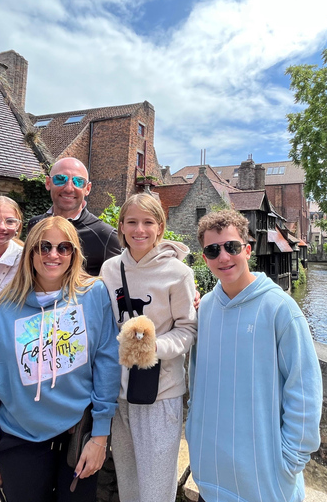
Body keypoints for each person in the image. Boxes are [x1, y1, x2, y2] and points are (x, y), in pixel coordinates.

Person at [0, 216, 121, 502]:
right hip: (20, 440)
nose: (53, 255)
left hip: (78, 437)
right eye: (44, 247)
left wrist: (100, 436)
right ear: (30, 252)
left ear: (74, 253)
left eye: (64, 247)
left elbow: (107, 362)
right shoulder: (4, 309)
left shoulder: (93, 294)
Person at [186, 210, 323, 502]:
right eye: (213, 250)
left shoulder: (280, 309)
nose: (223, 257)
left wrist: (291, 461)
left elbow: (304, 388)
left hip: (265, 485)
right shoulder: (205, 310)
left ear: (247, 250)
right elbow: (196, 383)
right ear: (204, 258)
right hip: (210, 479)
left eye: (232, 247)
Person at [99, 193, 197, 502]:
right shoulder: (110, 269)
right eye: (132, 222)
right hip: (118, 394)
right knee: (128, 483)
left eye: (148, 222)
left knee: (155, 489)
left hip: (160, 393)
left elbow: (187, 329)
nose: (139, 230)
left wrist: (153, 347)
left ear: (160, 227)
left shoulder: (178, 273)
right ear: (122, 227)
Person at [26, 157, 121, 276]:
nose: (69, 188)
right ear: (48, 183)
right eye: (60, 179)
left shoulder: (105, 236)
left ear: (87, 189)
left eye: (78, 181)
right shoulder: (35, 225)